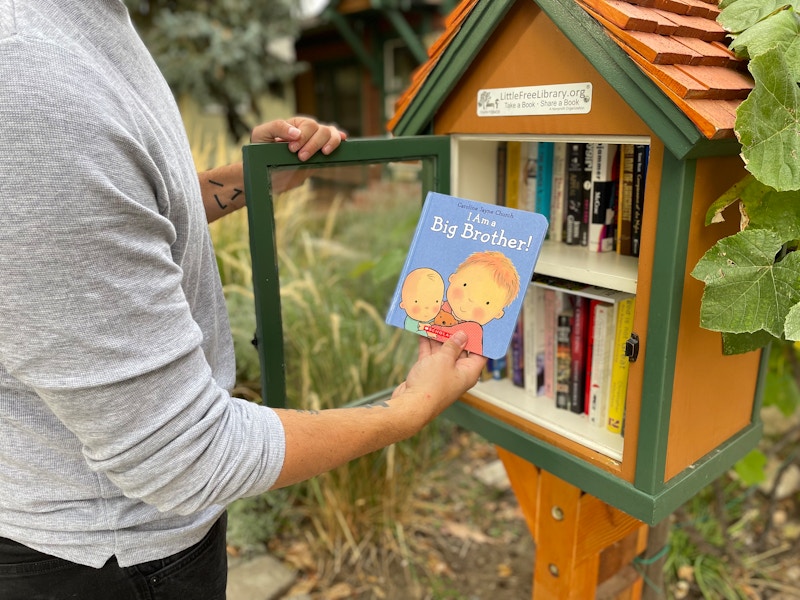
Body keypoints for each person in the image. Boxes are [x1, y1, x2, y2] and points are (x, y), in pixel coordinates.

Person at [0, 2, 487, 598]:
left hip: (148, 533)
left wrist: (253, 179)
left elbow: (120, 215)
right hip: (102, 558)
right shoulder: (24, 75)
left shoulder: (88, 23)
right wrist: (405, 411)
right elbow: (185, 458)